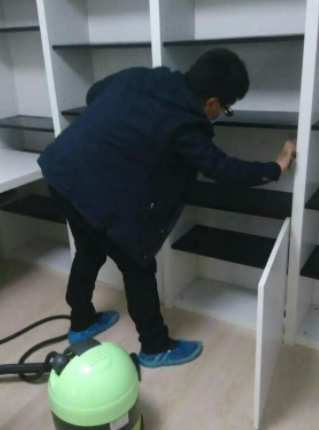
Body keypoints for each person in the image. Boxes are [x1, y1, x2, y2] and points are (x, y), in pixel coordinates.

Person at [38, 48, 296, 369]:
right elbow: (223, 169)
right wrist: (276, 167)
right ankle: (155, 346)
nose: (221, 113)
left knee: (89, 250)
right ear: (211, 103)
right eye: (225, 108)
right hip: (91, 187)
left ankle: (81, 322)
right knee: (137, 264)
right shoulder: (185, 123)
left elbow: (94, 94)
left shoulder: (143, 76)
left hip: (61, 173)